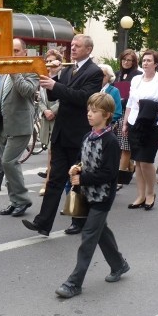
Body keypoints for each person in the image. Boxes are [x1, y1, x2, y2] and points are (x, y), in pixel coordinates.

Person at [22, 34, 103, 236]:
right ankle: (43, 222)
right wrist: (51, 80)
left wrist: (56, 85)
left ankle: (80, 220)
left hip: (78, 134)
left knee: (77, 179)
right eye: (72, 45)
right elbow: (54, 95)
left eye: (77, 46)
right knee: (55, 180)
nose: (72, 48)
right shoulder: (68, 70)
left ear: (88, 49)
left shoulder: (94, 72)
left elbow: (84, 98)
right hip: (61, 133)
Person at [54, 93, 128, 299]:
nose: (89, 114)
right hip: (87, 194)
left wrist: (83, 178)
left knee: (88, 237)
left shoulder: (110, 141)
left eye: (94, 111)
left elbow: (110, 173)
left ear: (106, 115)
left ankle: (74, 283)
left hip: (103, 197)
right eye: (89, 110)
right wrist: (76, 167)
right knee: (100, 231)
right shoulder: (88, 136)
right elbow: (83, 159)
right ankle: (119, 264)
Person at [0, 38, 39, 217]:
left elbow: (27, 91)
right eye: (11, 50)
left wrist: (15, 72)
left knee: (9, 162)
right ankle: (14, 200)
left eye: (16, 51)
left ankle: (23, 200)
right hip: (3, 125)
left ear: (24, 53)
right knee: (6, 163)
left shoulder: (31, 69)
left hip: (20, 126)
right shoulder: (2, 73)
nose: (13, 54)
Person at [122, 50, 158, 211]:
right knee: (137, 161)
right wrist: (125, 123)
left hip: (153, 125)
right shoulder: (136, 79)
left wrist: (152, 108)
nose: (145, 62)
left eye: (149, 60)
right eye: (144, 60)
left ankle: (151, 193)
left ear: (156, 64)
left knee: (146, 161)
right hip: (135, 122)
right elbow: (130, 102)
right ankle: (140, 195)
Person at [113, 49, 142, 186]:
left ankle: (120, 177)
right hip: (116, 111)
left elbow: (137, 96)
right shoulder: (117, 75)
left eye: (129, 60)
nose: (126, 62)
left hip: (130, 112)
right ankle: (129, 166)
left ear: (134, 62)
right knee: (117, 145)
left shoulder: (138, 75)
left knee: (125, 145)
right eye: (124, 59)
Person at [37, 49, 63, 194]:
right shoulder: (42, 78)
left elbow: (63, 96)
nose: (49, 64)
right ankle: (49, 181)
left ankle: (48, 183)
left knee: (53, 152)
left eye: (52, 61)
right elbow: (39, 98)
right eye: (47, 61)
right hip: (46, 118)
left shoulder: (62, 77)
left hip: (58, 119)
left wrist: (53, 111)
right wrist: (44, 110)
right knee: (50, 151)